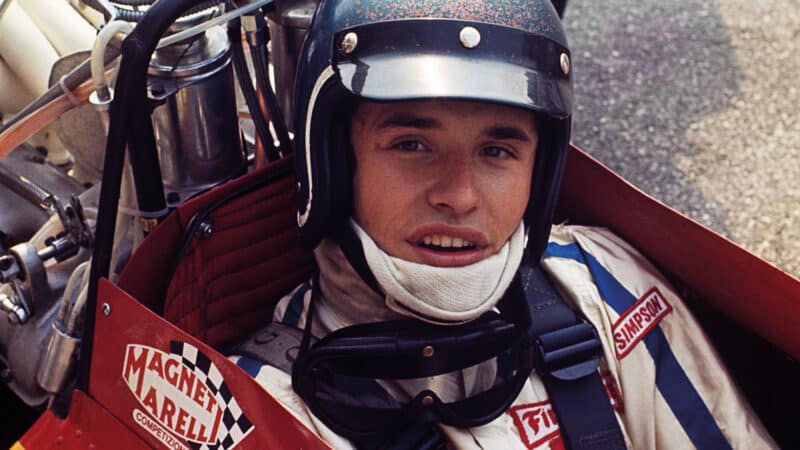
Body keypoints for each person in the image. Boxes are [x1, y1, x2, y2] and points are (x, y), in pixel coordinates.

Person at [230, 0, 776, 448]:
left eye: (496, 150)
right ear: (331, 166)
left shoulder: (607, 292)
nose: (459, 196)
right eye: (412, 144)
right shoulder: (256, 412)